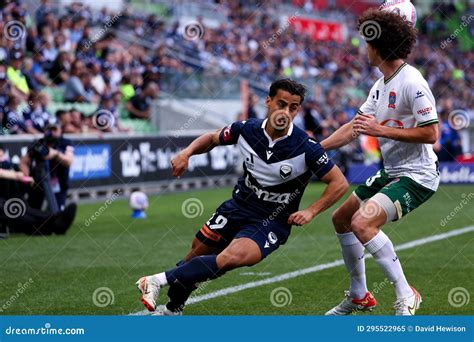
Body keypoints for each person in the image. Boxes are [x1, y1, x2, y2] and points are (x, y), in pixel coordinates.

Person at [135, 79, 348, 315]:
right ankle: (173, 310)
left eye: (293, 107)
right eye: (281, 104)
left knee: (232, 257)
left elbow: (339, 182)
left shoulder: (306, 146)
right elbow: (213, 138)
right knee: (194, 259)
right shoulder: (246, 129)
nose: (286, 112)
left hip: (270, 221)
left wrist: (311, 210)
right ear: (268, 101)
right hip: (236, 207)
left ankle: (155, 280)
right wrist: (187, 153)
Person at [322, 9, 439, 316]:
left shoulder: (412, 81)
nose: (365, 48)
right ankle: (359, 296)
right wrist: (315, 149)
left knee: (362, 222)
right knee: (341, 218)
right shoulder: (380, 84)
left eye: (368, 42)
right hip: (391, 172)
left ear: (380, 46)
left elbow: (432, 133)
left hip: (418, 176)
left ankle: (406, 294)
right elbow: (355, 127)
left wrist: (381, 130)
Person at [20, 124, 74, 211]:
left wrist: (56, 154)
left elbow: (68, 161)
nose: (51, 133)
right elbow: (24, 162)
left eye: (54, 129)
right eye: (49, 129)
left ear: (60, 130)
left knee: (57, 210)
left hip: (59, 181)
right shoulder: (38, 144)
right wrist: (27, 178)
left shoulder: (65, 142)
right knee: (33, 209)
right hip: (39, 180)